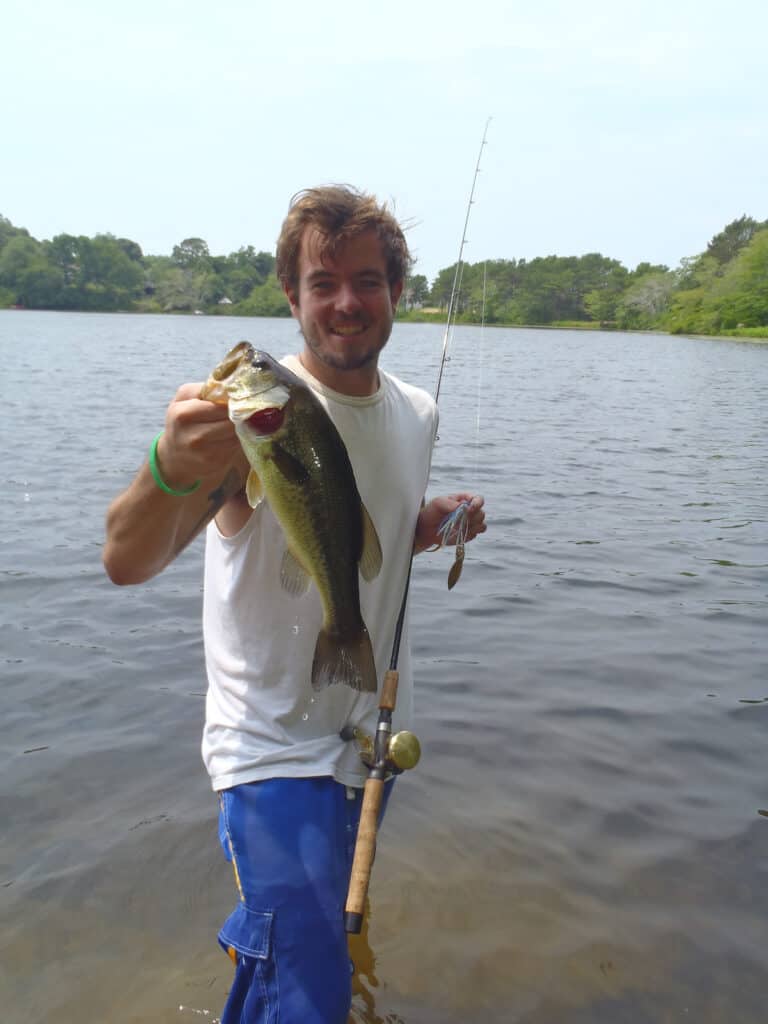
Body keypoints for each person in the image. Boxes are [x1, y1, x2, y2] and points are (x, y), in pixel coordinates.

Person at [103, 185, 486, 1023]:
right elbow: (126, 560)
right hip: (271, 751)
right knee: (311, 991)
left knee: (298, 955)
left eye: (368, 281)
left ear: (397, 292)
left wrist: (426, 525)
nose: (346, 302)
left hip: (367, 739)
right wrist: (170, 465)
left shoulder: (419, 412)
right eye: (323, 283)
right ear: (293, 296)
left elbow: (361, 530)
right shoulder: (246, 423)